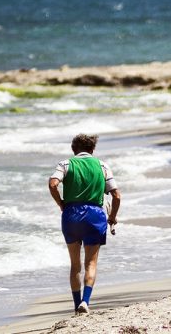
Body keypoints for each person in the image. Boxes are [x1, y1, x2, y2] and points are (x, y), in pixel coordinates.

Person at [48, 134, 121, 314]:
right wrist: (112, 216)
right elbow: (116, 196)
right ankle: (85, 302)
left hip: (71, 214)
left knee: (75, 264)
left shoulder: (65, 164)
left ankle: (75, 305)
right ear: (92, 149)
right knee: (91, 263)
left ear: (74, 149)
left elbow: (52, 184)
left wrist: (61, 203)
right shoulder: (102, 166)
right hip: (95, 216)